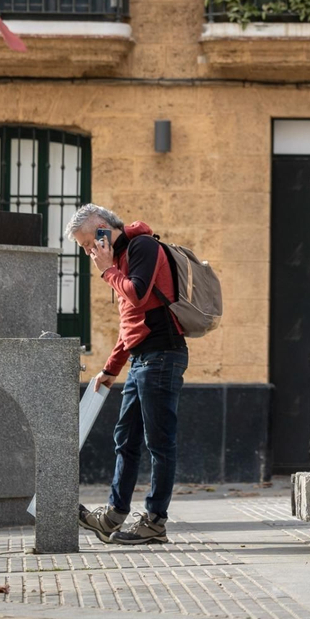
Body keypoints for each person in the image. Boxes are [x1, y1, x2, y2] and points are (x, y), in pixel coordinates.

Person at [69, 203, 188, 545]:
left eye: (89, 243)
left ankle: (155, 521)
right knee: (125, 439)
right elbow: (130, 325)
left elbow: (137, 294)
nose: (90, 252)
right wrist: (111, 369)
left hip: (162, 356)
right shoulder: (120, 259)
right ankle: (113, 516)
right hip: (141, 361)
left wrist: (107, 270)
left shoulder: (142, 247)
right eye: (85, 248)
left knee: (159, 443)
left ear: (103, 227)